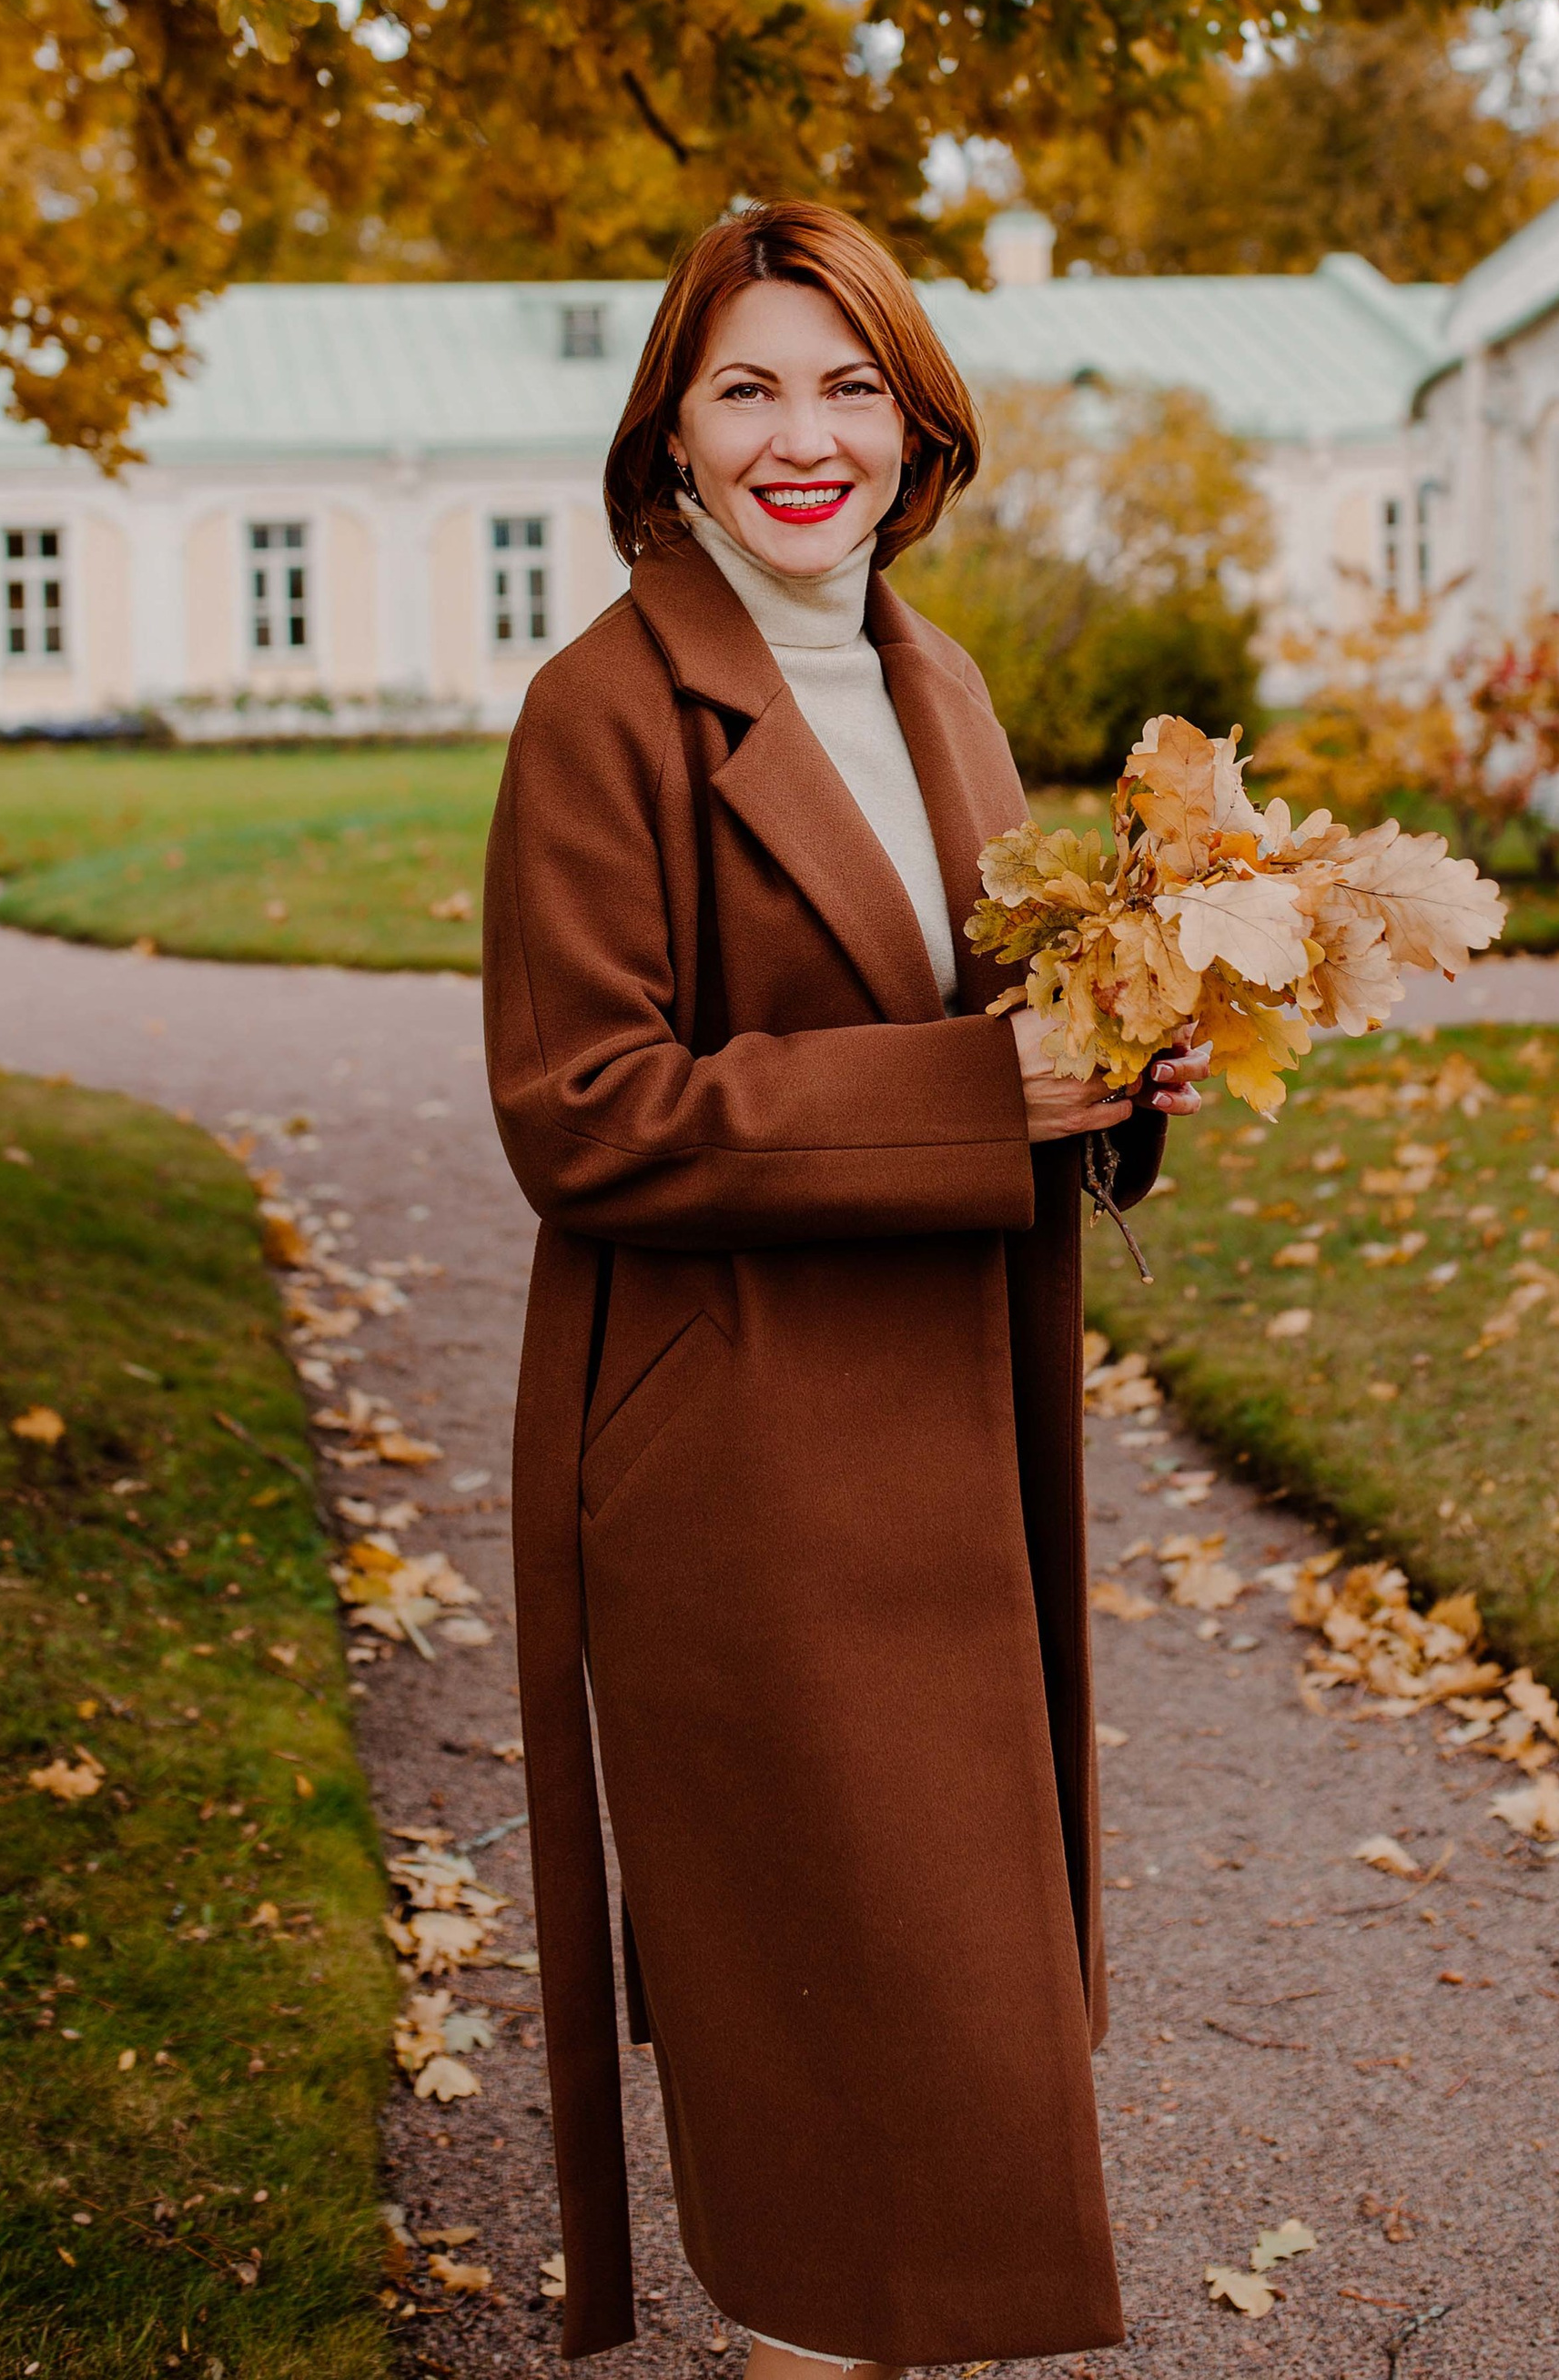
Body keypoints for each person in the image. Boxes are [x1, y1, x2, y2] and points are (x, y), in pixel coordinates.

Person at [486, 200, 1203, 2376]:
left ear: (913, 424)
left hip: (954, 1423)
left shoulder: (933, 677)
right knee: (841, 2065)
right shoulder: (601, 710)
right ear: (671, 437)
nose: (804, 439)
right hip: (744, 1453)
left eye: (847, 387)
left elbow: (967, 1023)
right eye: (746, 389)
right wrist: (988, 1082)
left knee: (957, 2005)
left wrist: (1121, 1058)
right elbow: (583, 1109)